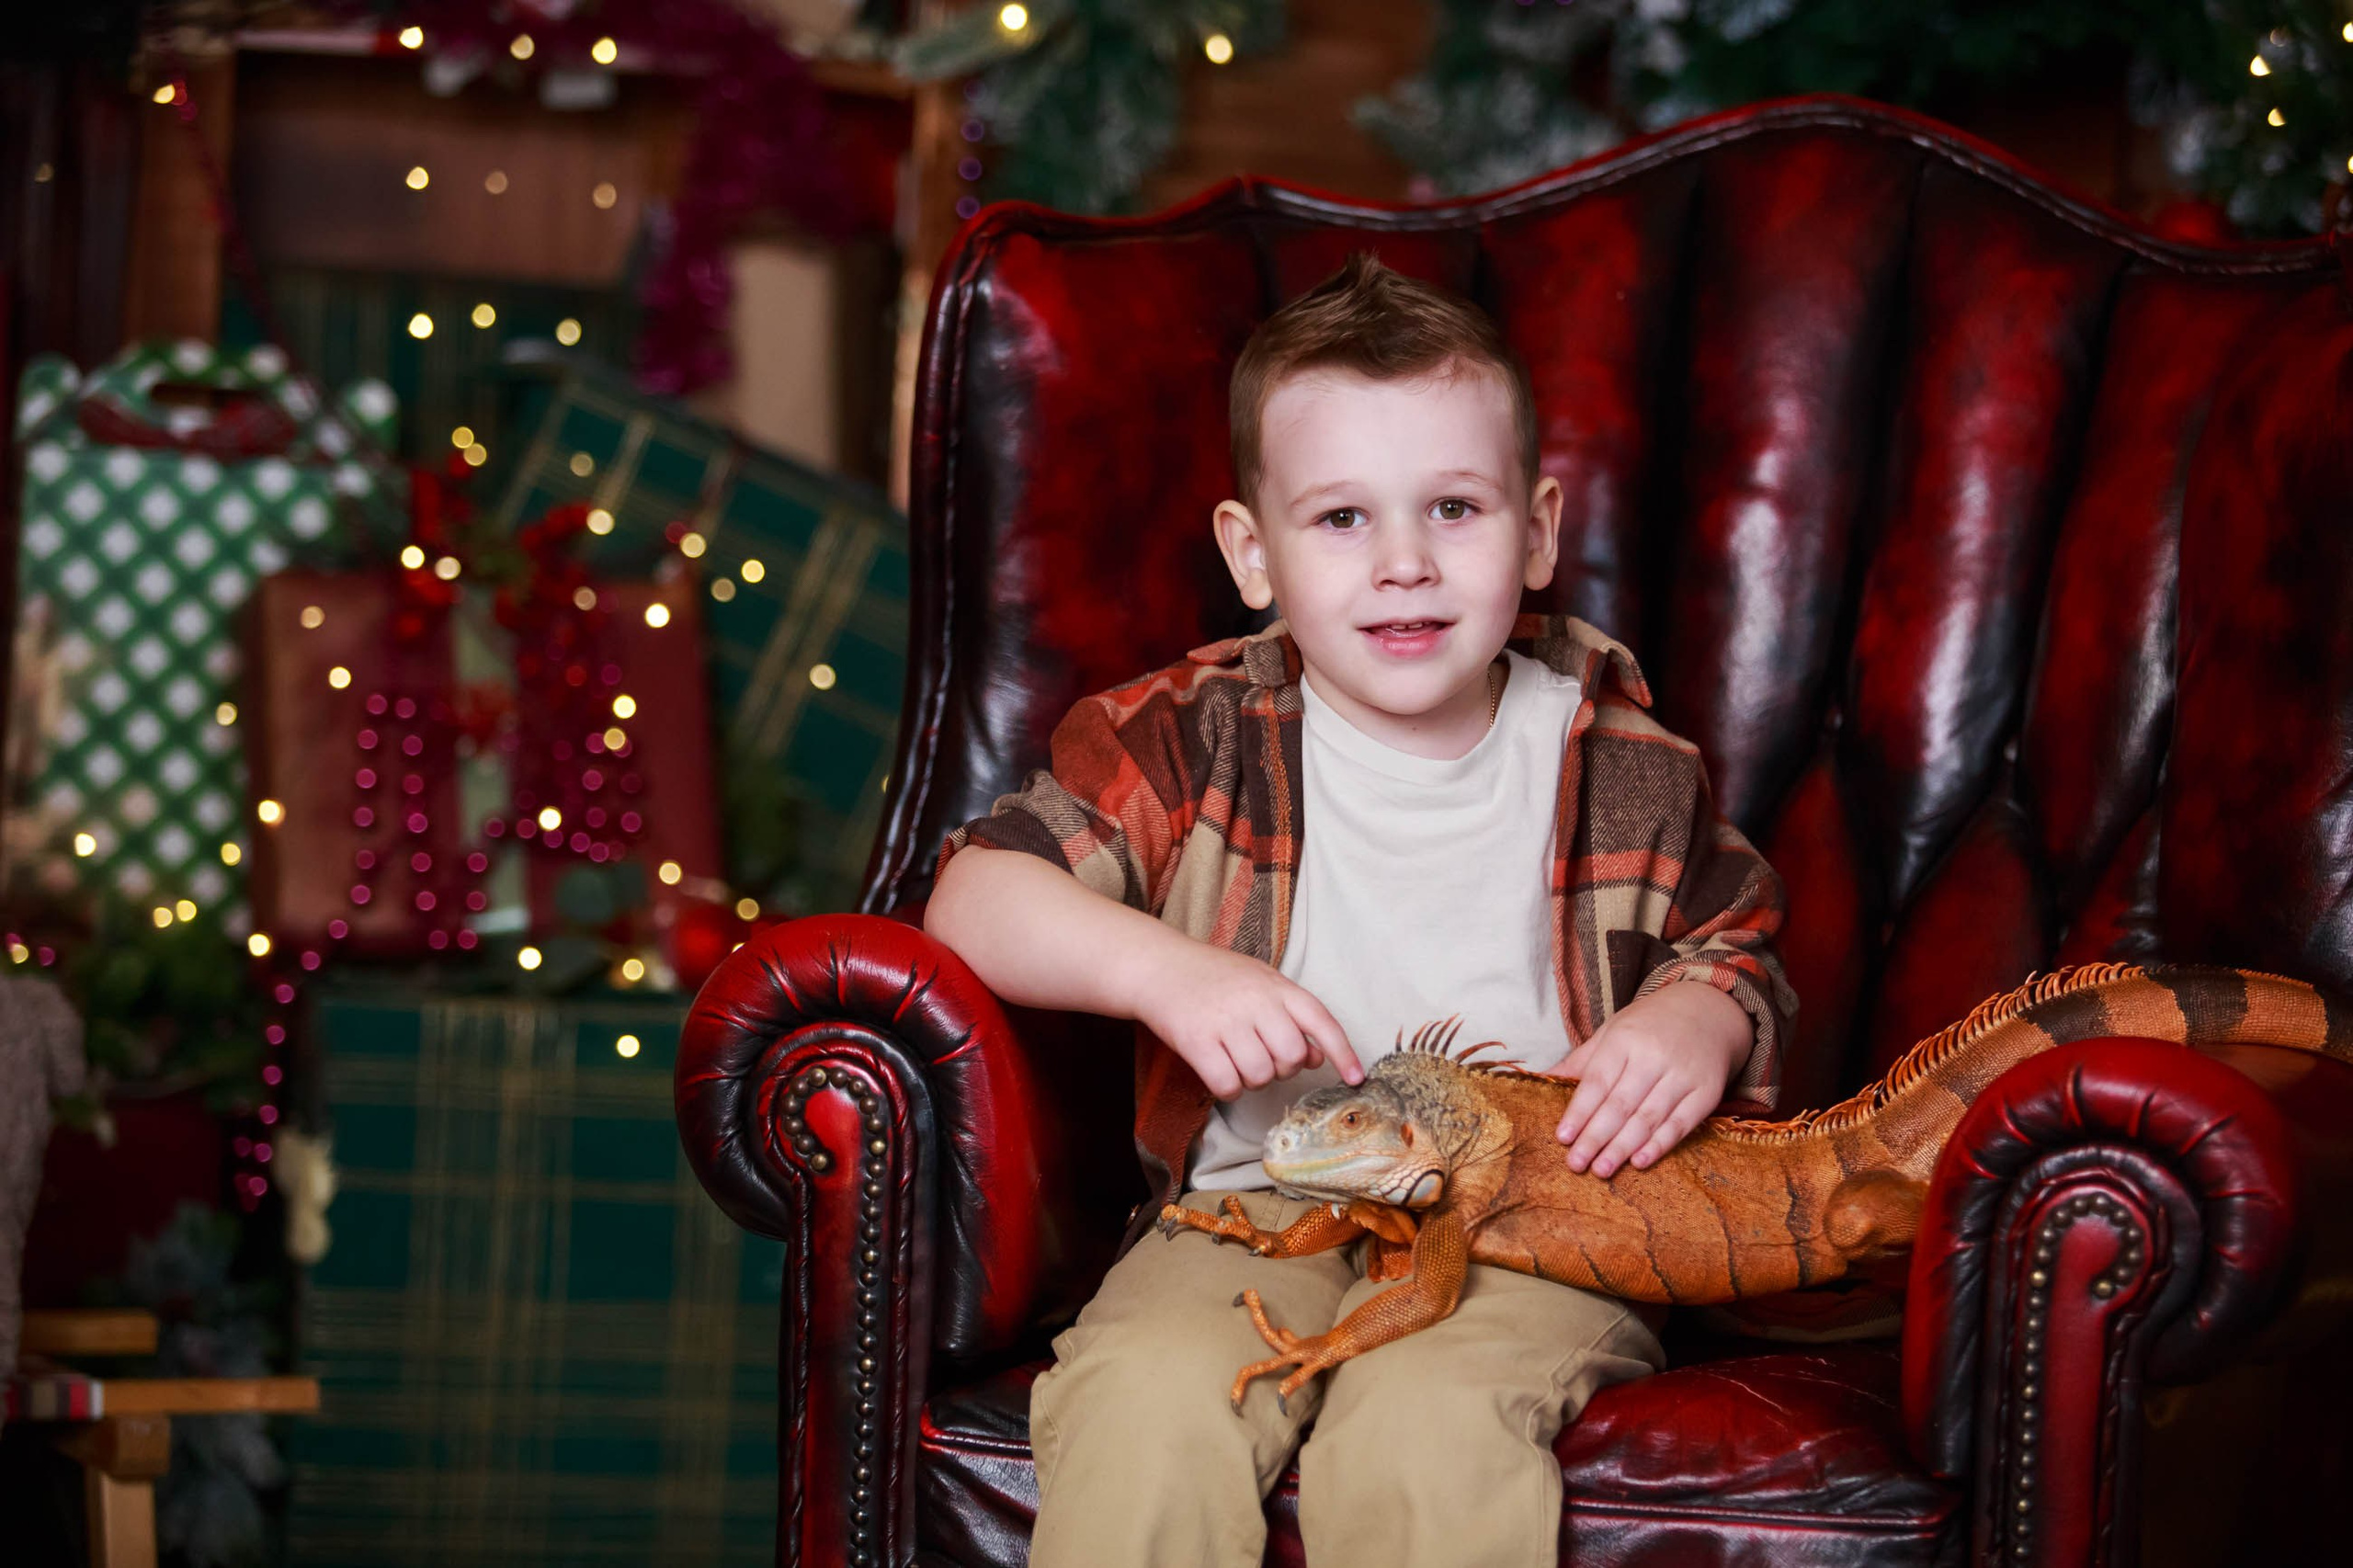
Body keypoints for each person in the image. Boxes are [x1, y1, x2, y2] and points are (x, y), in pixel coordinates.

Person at [922, 253, 1797, 1568]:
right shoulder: (1195, 736)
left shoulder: (1620, 756)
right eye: (1341, 518)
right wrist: (1167, 971)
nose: (1403, 563)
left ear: (1537, 531)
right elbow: (975, 894)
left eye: (1453, 507)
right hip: (1255, 1204)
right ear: (1252, 552)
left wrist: (1698, 1018)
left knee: (1422, 1438)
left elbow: (1738, 948)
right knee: (1145, 1401)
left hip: (1531, 1232)